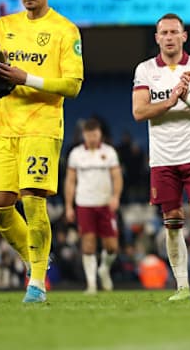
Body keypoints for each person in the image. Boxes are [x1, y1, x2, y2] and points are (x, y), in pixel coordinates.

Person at [0, 0, 83, 303]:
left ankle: (37, 281)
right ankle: (35, 256)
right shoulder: (3, 26)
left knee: (34, 203)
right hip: (6, 127)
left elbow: (73, 84)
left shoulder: (65, 30)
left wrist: (27, 78)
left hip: (42, 125)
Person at [132, 13, 190, 301]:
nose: (169, 37)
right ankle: (181, 285)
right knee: (172, 221)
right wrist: (170, 101)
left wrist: (188, 99)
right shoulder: (145, 70)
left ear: (184, 36)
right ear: (157, 38)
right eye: (163, 33)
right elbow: (139, 111)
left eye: (174, 32)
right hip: (163, 158)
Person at [64, 118, 123, 294]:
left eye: (95, 135)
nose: (92, 138)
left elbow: (117, 177)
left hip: (105, 204)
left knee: (112, 246)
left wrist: (116, 196)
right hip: (84, 204)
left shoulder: (109, 152)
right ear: (84, 135)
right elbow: (70, 181)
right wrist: (69, 206)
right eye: (89, 135)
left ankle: (104, 269)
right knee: (88, 244)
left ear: (100, 134)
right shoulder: (76, 154)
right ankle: (91, 284)